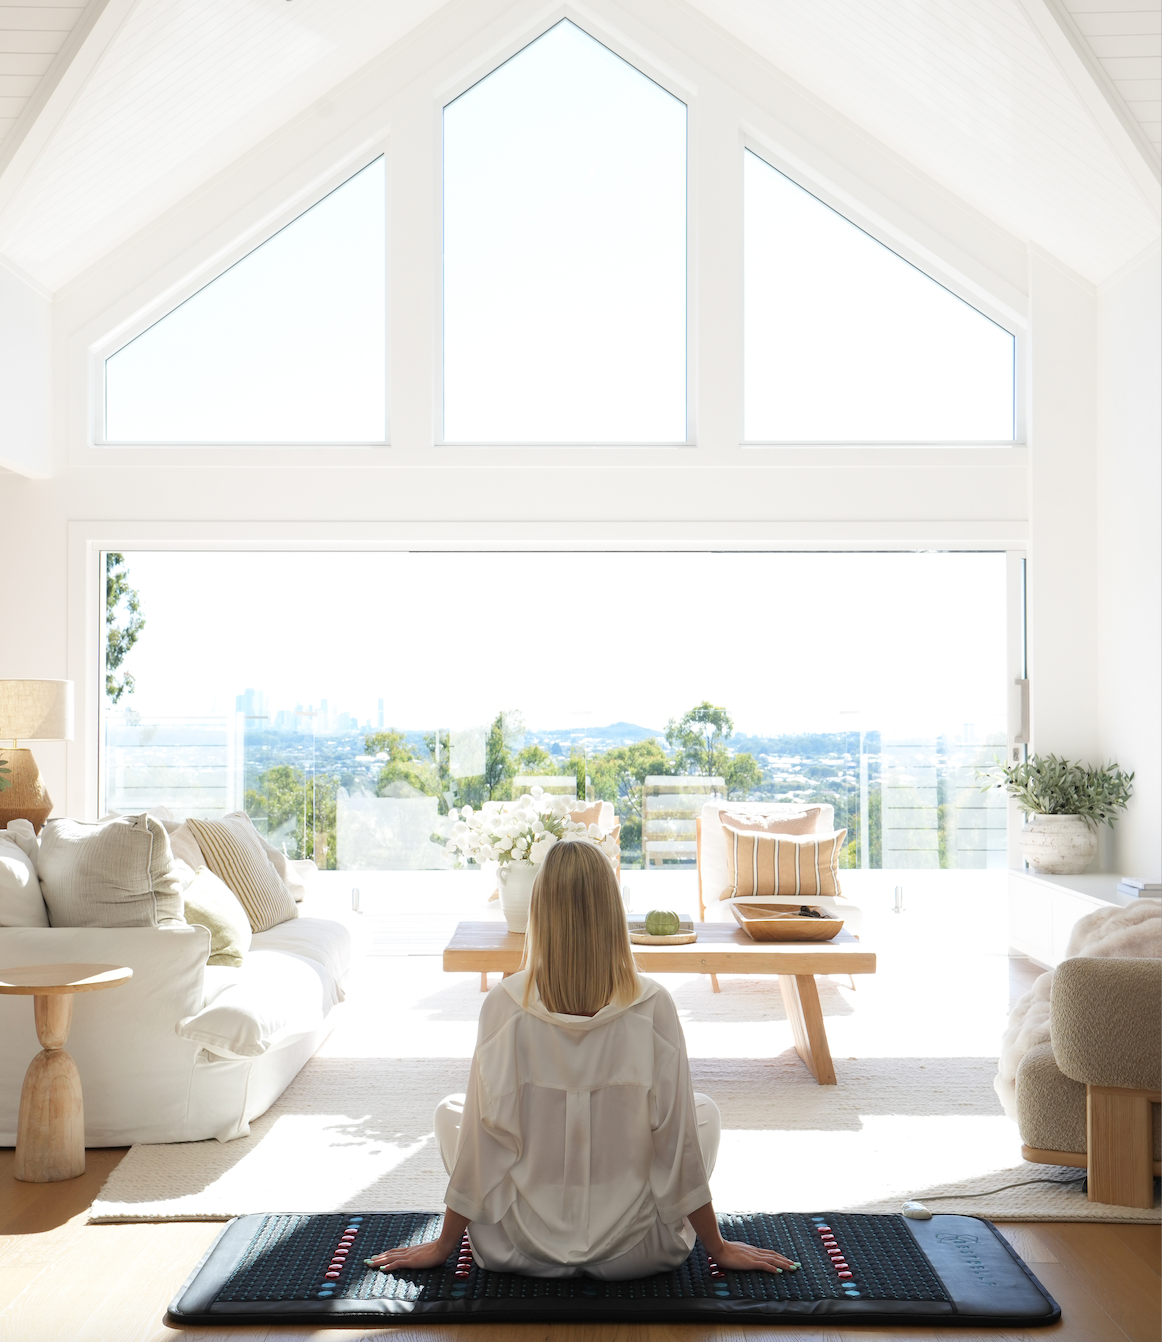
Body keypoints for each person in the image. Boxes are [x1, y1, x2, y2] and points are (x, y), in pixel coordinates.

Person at [368, 838, 797, 1280]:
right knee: (702, 1111)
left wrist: (444, 1246)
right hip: (640, 1251)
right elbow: (678, 1144)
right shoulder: (653, 1006)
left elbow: (483, 1144)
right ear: (613, 914)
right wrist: (718, 1247)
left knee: (453, 1113)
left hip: (516, 1249)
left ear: (539, 913)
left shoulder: (503, 1006)